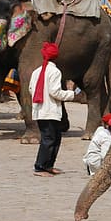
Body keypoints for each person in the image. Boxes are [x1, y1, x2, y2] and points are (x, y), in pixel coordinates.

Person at [29, 42, 78, 177]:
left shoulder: (36, 72)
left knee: (55, 138)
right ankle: (40, 167)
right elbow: (55, 92)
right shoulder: (55, 72)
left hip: (40, 110)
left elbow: (31, 89)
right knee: (49, 139)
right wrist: (70, 94)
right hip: (50, 110)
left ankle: (49, 165)